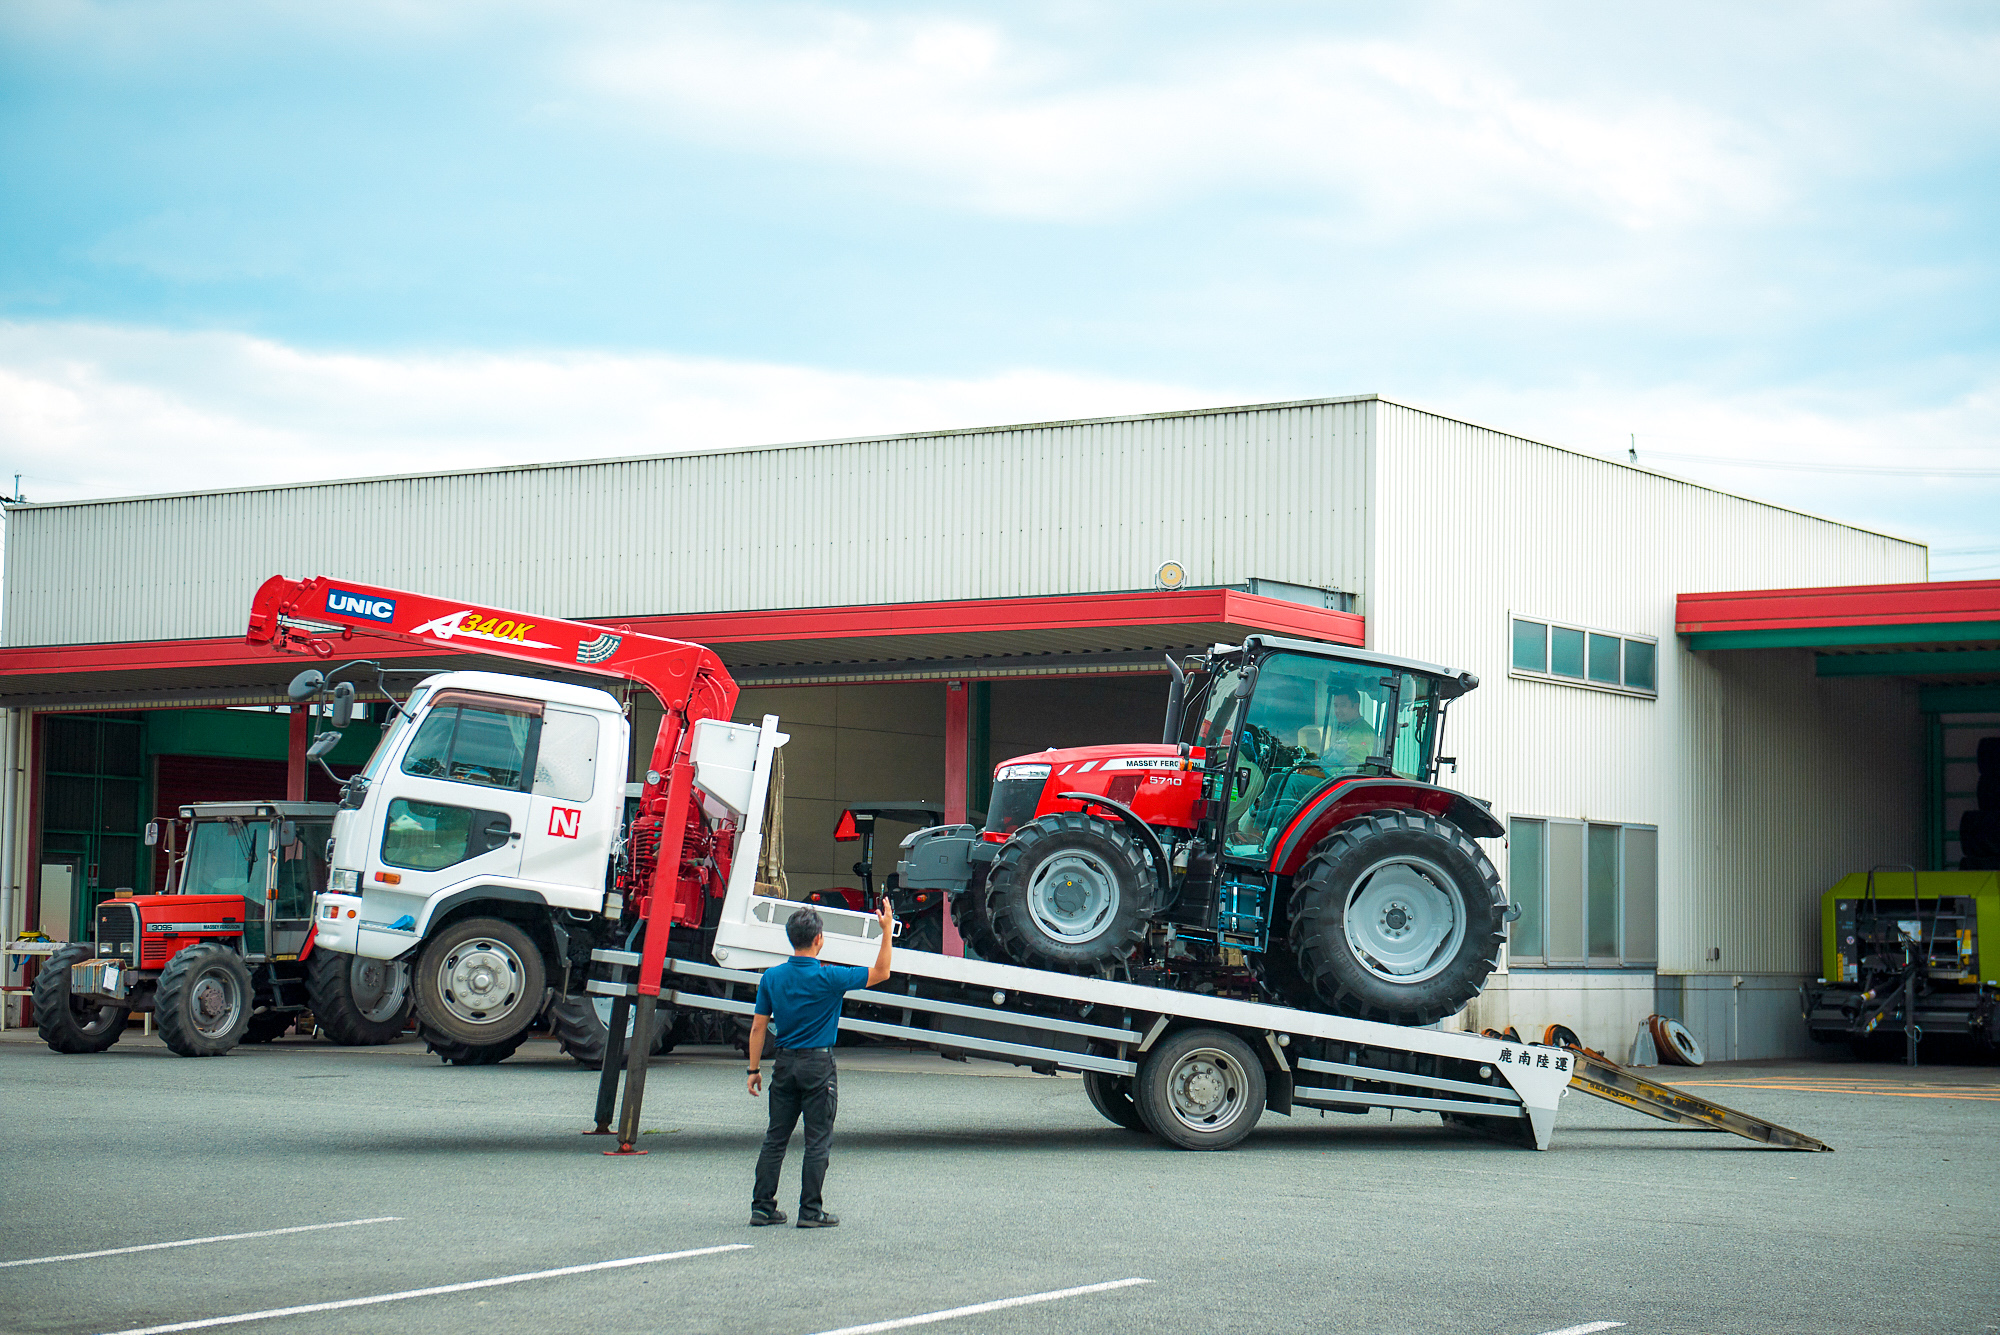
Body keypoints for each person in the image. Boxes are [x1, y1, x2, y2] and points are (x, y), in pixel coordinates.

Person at [746, 899, 895, 1228]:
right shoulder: (831, 977)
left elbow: (758, 1027)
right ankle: (810, 1211)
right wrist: (886, 932)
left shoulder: (771, 977)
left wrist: (754, 1069)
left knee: (775, 1138)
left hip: (783, 1064)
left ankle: (762, 1207)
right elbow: (882, 972)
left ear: (790, 938)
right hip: (818, 1065)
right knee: (817, 1140)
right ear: (819, 940)